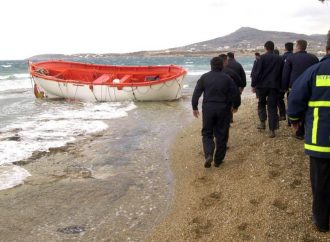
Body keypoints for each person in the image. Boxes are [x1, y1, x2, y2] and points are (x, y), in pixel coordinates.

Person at [287, 30, 330, 232]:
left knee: (320, 182)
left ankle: (321, 222)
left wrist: (294, 120)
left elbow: (296, 96)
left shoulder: (316, 71)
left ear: (327, 49)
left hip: (320, 140)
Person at [192, 57, 241, 168]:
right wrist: (236, 105)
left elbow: (196, 93)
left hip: (208, 109)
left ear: (211, 65)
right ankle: (218, 160)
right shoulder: (227, 78)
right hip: (223, 109)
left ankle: (209, 154)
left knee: (207, 133)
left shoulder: (204, 77)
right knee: (222, 134)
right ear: (222, 65)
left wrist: (194, 107)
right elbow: (235, 93)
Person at [282, 39, 319, 139]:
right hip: (310, 87)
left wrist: (284, 87)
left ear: (297, 46)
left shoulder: (291, 58)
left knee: (295, 107)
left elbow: (286, 74)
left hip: (294, 88)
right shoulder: (314, 58)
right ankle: (308, 129)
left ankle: (298, 130)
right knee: (308, 108)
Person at [251, 41, 283, 138]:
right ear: (273, 48)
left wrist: (253, 85)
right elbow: (282, 73)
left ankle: (262, 122)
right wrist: (282, 85)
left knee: (261, 103)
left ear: (265, 48)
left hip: (262, 86)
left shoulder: (262, 58)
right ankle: (272, 130)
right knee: (272, 107)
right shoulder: (279, 59)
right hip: (274, 86)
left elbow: (257, 72)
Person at [281, 42, 294, 125]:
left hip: (286, 82)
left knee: (288, 101)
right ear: (292, 48)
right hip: (295, 81)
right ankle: (293, 119)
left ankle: (289, 120)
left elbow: (282, 71)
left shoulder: (282, 57)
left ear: (285, 48)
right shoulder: (295, 56)